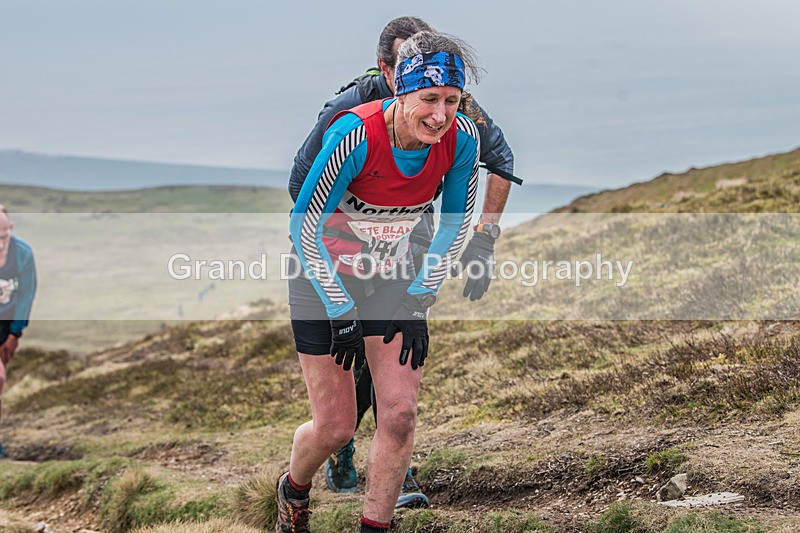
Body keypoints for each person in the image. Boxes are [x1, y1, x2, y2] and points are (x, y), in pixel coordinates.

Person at [288, 15, 517, 507]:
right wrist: (338, 306)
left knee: (400, 412)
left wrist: (421, 297)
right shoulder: (351, 121)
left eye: (452, 101)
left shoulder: (462, 132)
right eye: (430, 100)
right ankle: (295, 490)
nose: (441, 114)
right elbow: (302, 218)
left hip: (396, 269)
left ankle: (386, 505)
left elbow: (459, 219)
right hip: (328, 270)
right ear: (395, 83)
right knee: (333, 426)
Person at [0, 205, 37, 459]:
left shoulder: (22, 253)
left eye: (2, 237)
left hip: (6, 326)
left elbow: (26, 292)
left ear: (10, 229)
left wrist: (16, 333)